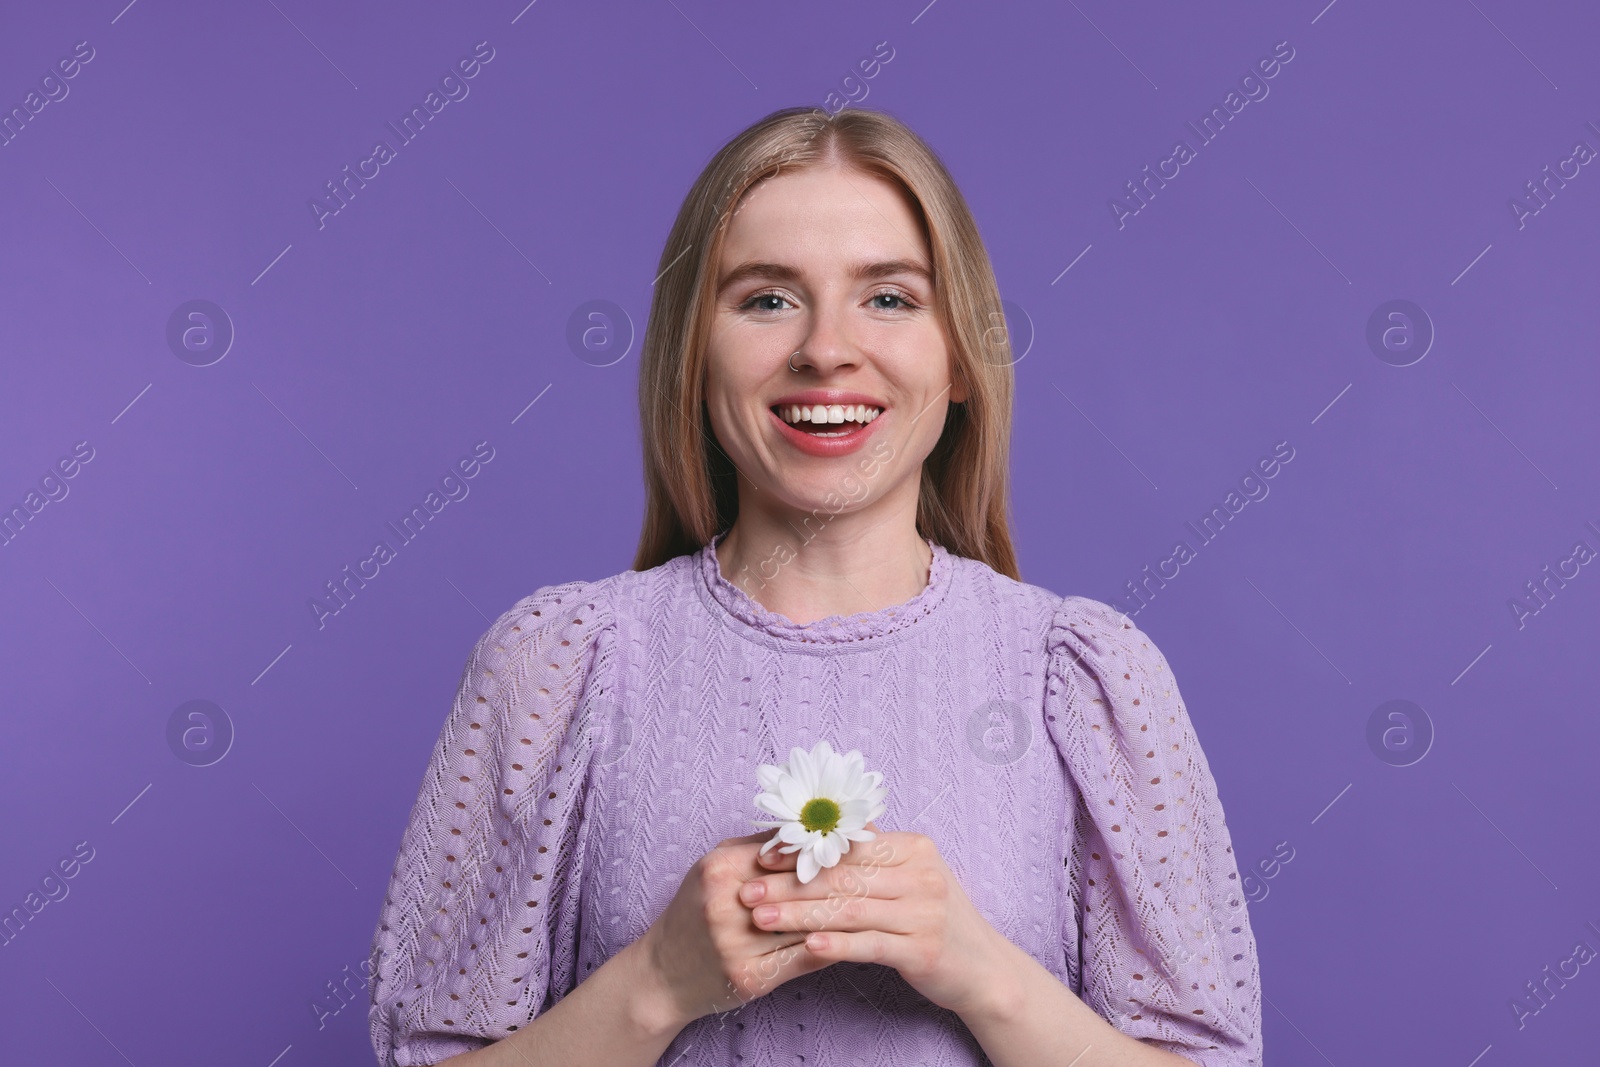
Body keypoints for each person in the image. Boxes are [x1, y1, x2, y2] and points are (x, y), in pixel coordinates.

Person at [367, 105, 1262, 1067]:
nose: (827, 349)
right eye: (767, 299)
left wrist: (982, 972)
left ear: (959, 357)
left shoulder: (1085, 676)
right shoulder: (553, 666)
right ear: (692, 354)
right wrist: (656, 981)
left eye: (888, 298)